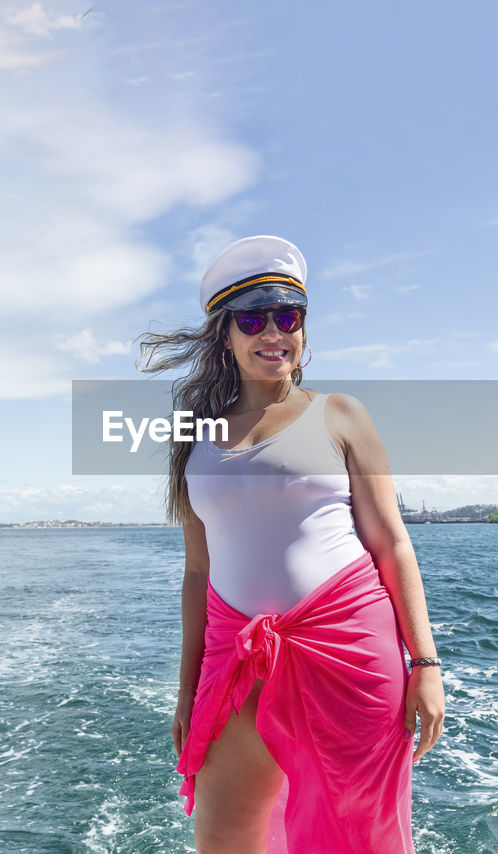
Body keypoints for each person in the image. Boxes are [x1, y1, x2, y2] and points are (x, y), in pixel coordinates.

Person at [137, 235, 444, 853]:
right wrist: (186, 692)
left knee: (362, 837)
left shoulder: (340, 414)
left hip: (348, 650)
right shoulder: (192, 437)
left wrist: (426, 666)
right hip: (233, 659)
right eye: (252, 319)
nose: (272, 332)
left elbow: (392, 543)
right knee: (223, 840)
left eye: (288, 316)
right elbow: (197, 573)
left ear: (303, 328)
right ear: (225, 335)